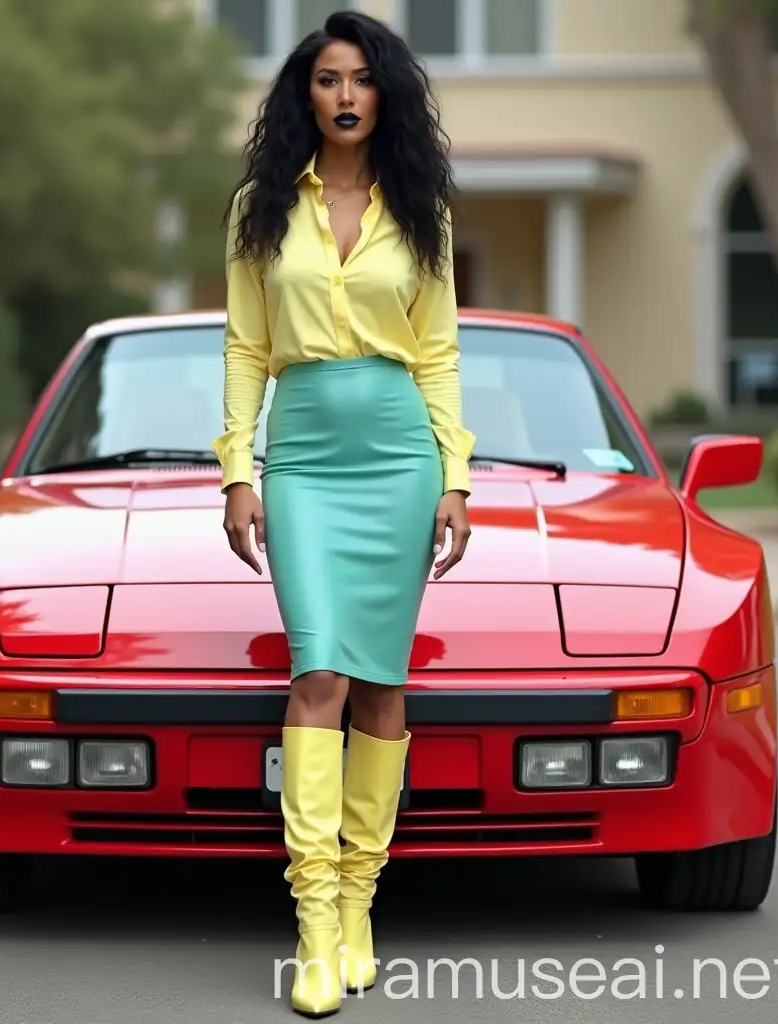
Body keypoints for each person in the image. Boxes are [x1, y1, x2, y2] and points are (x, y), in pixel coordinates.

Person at [212, 9, 475, 1017]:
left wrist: (455, 476)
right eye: (327, 79)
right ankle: (314, 923)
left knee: (380, 685)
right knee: (316, 668)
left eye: (362, 78)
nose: (346, 95)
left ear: (385, 93)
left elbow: (441, 351)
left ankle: (362, 900)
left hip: (400, 455)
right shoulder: (262, 206)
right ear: (303, 95)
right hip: (308, 456)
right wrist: (239, 469)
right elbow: (243, 347)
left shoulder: (422, 212)